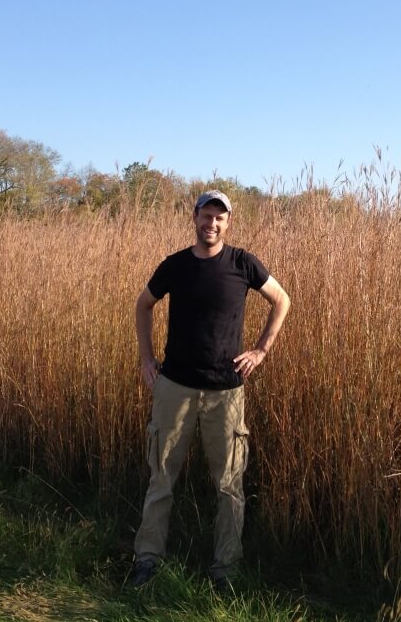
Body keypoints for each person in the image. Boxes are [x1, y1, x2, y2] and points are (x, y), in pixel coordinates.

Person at [128, 190, 291, 589]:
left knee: (228, 485)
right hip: (174, 388)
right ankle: (146, 562)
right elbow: (143, 305)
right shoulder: (175, 265)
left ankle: (225, 571)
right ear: (195, 217)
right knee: (161, 478)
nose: (212, 224)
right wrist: (147, 359)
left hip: (226, 392)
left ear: (228, 222)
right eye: (206, 216)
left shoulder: (243, 264)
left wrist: (260, 350)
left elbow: (282, 300)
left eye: (219, 217)